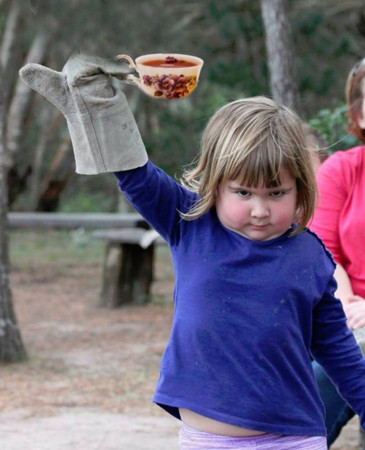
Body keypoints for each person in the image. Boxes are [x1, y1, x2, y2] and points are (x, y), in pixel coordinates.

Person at [19, 55, 365, 450]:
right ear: (215, 184)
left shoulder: (310, 255)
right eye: (243, 192)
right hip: (207, 441)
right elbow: (135, 173)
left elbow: (340, 354)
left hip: (295, 440)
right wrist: (102, 108)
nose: (259, 209)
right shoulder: (189, 221)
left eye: (277, 193)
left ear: (301, 189)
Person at [310, 57, 365, 447]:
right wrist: (346, 302)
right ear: (360, 115)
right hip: (349, 313)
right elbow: (322, 249)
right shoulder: (342, 171)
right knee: (324, 370)